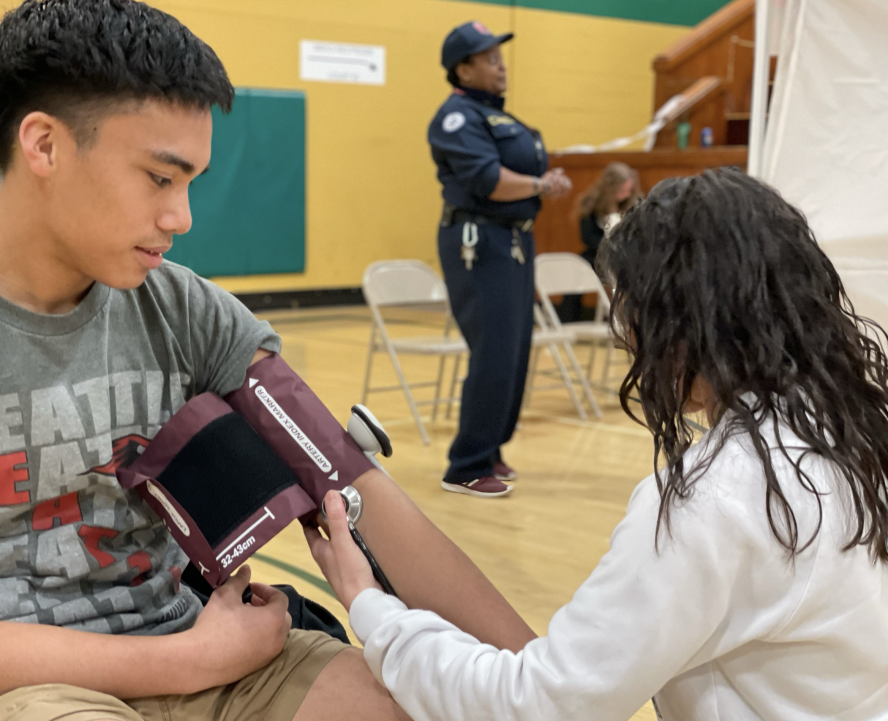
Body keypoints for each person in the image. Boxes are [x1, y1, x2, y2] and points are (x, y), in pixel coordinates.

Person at [0, 1, 537, 719]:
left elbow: (355, 482)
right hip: (27, 692)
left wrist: (542, 683)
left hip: (215, 658)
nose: (181, 217)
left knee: (429, 703)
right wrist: (187, 659)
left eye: (191, 183)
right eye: (159, 178)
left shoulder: (188, 310)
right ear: (44, 146)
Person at [308, 169, 888, 721]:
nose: (626, 339)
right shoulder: (857, 421)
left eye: (633, 314)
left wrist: (371, 607)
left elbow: (537, 706)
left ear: (686, 321)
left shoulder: (719, 500)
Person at [430, 21, 571, 498]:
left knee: (514, 351)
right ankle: (465, 466)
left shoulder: (497, 117)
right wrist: (540, 185)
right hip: (479, 240)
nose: (501, 65)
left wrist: (539, 183)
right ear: (463, 69)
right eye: (489, 58)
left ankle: (490, 449)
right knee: (492, 348)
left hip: (513, 239)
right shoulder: (456, 118)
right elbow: (488, 180)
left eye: (500, 56)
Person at [557, 162, 641, 323]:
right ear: (610, 188)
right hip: (597, 254)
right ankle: (568, 320)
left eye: (628, 191)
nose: (626, 194)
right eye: (622, 190)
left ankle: (634, 322)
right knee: (578, 267)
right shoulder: (591, 204)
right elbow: (587, 238)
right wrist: (608, 248)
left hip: (625, 256)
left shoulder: (633, 206)